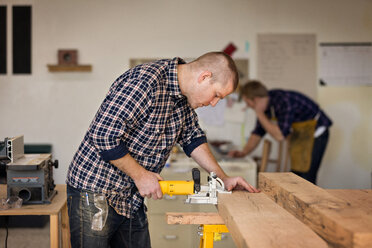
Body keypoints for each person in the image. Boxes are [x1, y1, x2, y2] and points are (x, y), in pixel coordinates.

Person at [66, 52, 260, 248]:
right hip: (95, 191)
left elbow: (192, 138)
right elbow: (103, 135)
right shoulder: (145, 83)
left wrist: (222, 178)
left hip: (130, 195)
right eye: (216, 95)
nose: (213, 103)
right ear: (204, 77)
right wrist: (141, 176)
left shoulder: (183, 97)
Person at [229, 80, 332, 184]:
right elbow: (257, 133)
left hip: (317, 131)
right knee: (297, 174)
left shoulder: (283, 101)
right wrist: (243, 152)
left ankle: (310, 199)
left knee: (307, 176)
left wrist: (259, 113)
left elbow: (280, 136)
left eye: (248, 103)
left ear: (255, 100)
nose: (248, 106)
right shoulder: (267, 107)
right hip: (301, 135)